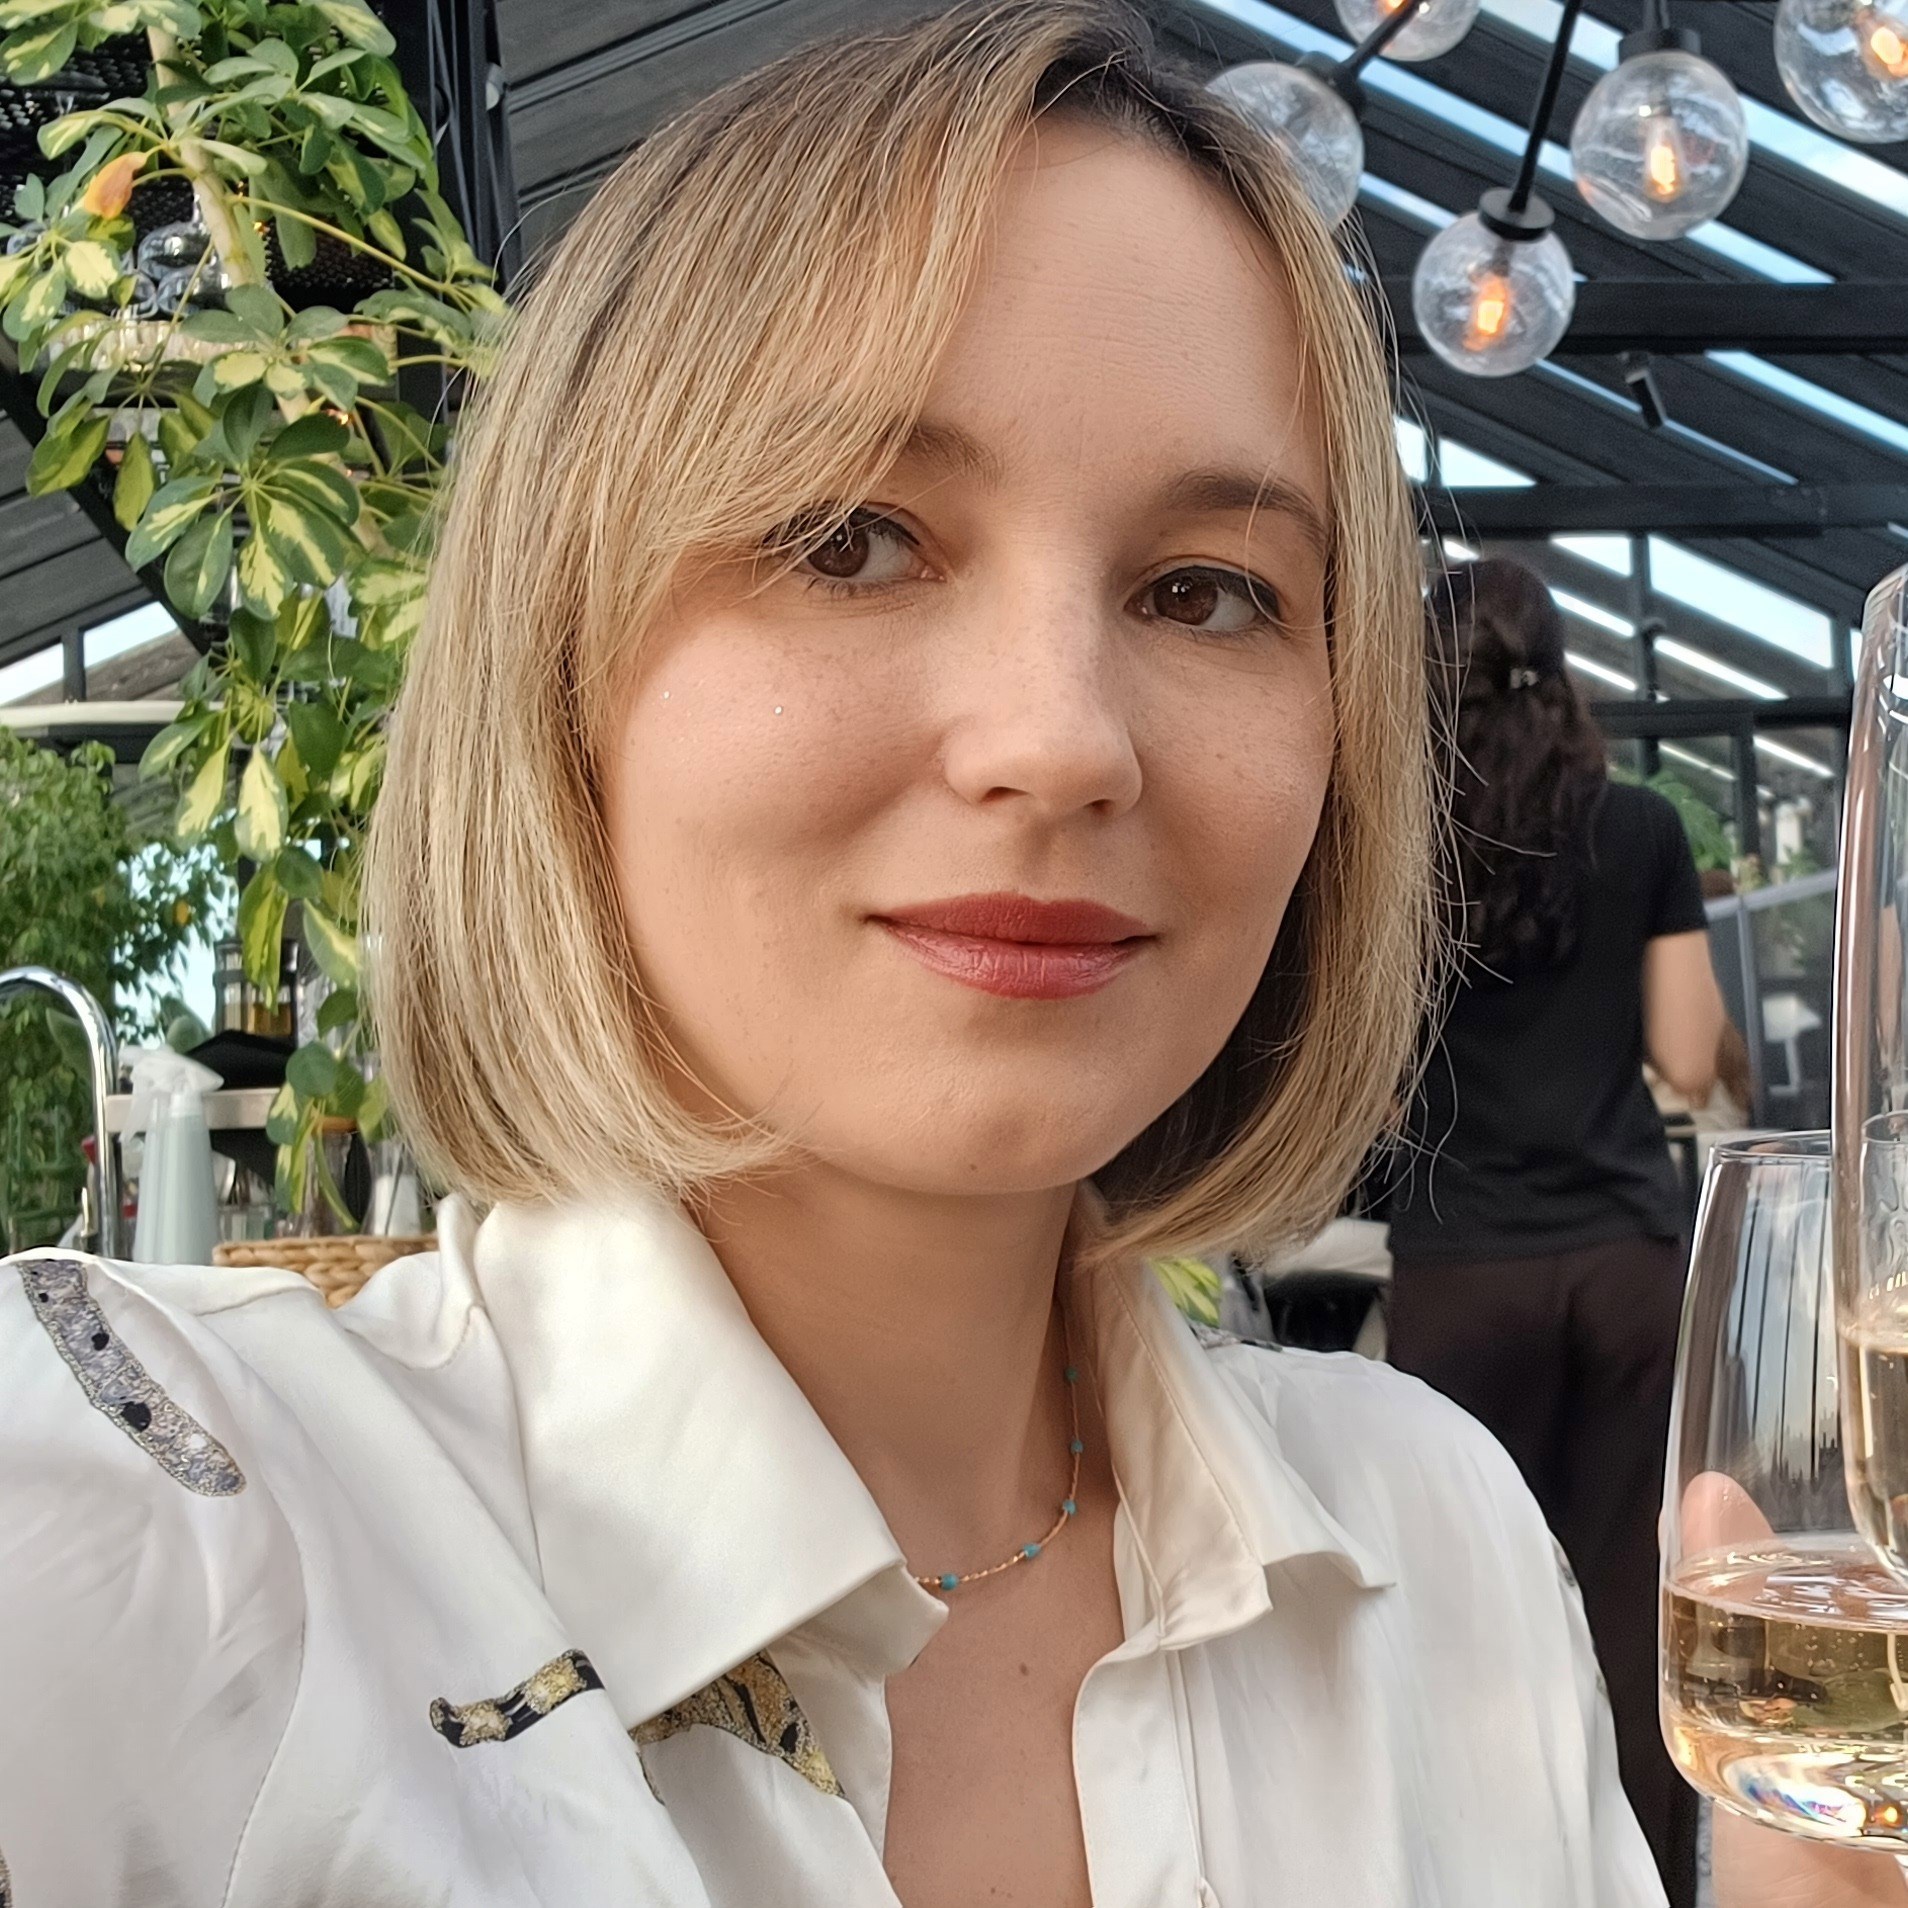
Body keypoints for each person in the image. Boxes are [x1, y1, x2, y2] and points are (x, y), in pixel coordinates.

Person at [0, 8, 1895, 1904]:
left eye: (1205, 592)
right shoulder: (155, 1546)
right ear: (562, 658)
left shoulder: (1439, 1545)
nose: (1062, 741)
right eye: (852, 540)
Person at [1383, 556, 1727, 1908]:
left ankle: (1482, 1875)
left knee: (1464, 1603)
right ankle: (1644, 1881)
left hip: (1465, 1267)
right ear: (1564, 669)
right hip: (1625, 1261)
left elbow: (1363, 1076)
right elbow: (1688, 1056)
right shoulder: (1639, 827)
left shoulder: (1397, 846)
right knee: (1633, 1600)